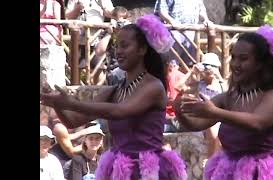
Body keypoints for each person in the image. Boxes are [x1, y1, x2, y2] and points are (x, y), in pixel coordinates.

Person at [41, 14, 187, 179]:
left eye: (124, 46)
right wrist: (56, 103)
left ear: (142, 49)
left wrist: (71, 103)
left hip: (148, 171)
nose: (118, 51)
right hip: (121, 169)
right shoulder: (114, 91)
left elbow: (119, 111)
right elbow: (72, 120)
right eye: (117, 46)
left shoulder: (153, 86)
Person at [175, 25, 273, 179]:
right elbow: (196, 124)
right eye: (233, 57)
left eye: (243, 59)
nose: (235, 64)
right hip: (230, 171)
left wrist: (215, 112)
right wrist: (179, 109)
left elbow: (258, 122)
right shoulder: (229, 97)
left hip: (263, 172)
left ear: (260, 64)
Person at [154, 0, 214, 67]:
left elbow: (201, 8)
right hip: (173, 31)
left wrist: (206, 19)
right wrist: (172, 21)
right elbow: (162, 11)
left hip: (191, 31)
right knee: (172, 64)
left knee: (189, 64)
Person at [40, 0, 66, 91]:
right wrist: (45, 7)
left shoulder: (56, 4)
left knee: (52, 70)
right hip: (41, 35)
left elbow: (58, 21)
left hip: (52, 37)